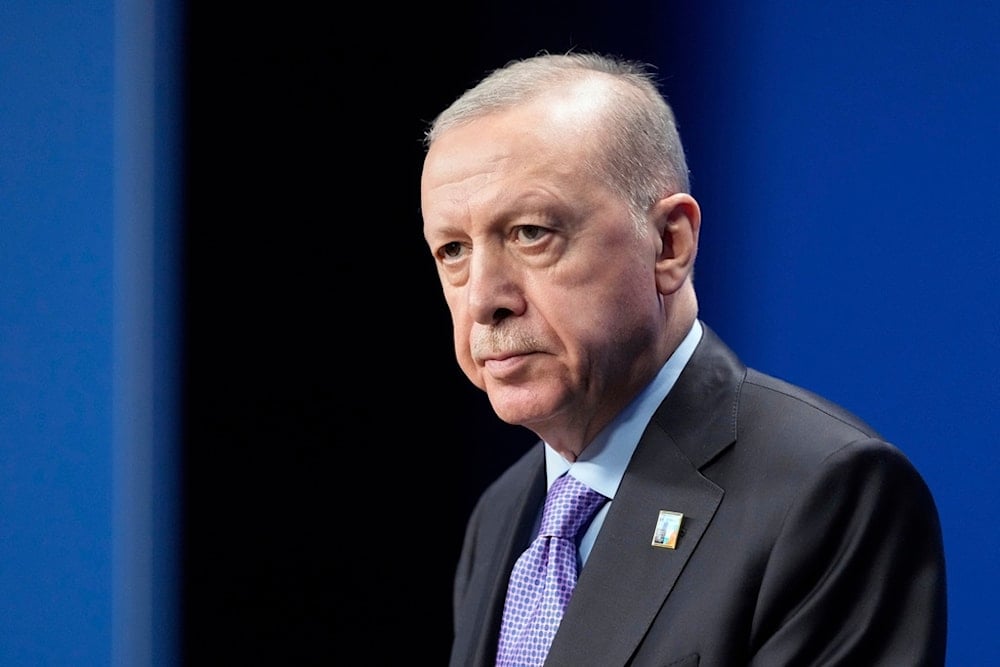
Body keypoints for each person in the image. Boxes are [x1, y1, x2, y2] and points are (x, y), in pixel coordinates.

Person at [419, 51, 947, 666]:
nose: (483, 300)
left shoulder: (826, 494)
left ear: (670, 243)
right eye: (452, 249)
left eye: (532, 233)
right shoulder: (505, 513)